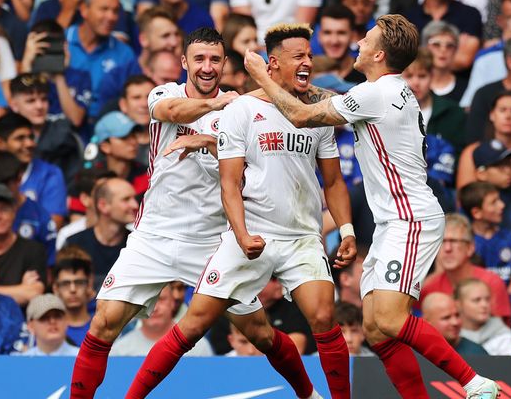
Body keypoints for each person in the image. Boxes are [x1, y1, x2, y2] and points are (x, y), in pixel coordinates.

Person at [244, 14, 500, 397]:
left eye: (365, 40)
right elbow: (327, 101)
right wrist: (290, 83)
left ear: (379, 54)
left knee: (393, 319)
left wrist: (260, 75)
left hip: (410, 218)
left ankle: (475, 383)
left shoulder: (375, 94)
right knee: (376, 327)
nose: (357, 44)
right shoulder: (385, 91)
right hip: (392, 222)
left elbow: (300, 116)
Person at [70, 28, 323, 399]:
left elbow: (251, 167)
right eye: (199, 59)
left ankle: (309, 395)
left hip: (212, 243)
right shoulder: (167, 94)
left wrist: (211, 136)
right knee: (103, 323)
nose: (207, 67)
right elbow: (172, 112)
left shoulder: (243, 114)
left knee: (260, 334)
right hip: (153, 236)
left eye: (215, 60)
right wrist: (225, 104)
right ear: (185, 62)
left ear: (223, 64)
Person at [128, 23, 356, 399]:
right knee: (194, 325)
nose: (307, 63)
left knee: (323, 317)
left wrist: (346, 230)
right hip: (251, 233)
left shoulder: (316, 115)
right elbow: (230, 183)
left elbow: (333, 182)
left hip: (301, 237)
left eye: (310, 57)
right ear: (274, 63)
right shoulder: (242, 110)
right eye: (299, 57)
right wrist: (242, 233)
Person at [0, 113, 67, 228]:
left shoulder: (50, 174)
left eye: (31, 137)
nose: (29, 144)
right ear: (0, 144)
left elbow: (52, 225)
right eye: (20, 138)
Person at [420, 213, 511, 320]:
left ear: (470, 248)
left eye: (454, 241)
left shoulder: (492, 282)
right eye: (442, 242)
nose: (447, 248)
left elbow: (502, 332)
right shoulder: (428, 288)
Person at [65, 0, 135, 118]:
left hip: (108, 128)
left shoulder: (124, 54)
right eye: (104, 9)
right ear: (84, 9)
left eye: (115, 11)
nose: (111, 17)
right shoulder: (62, 41)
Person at [0, 183, 47, 306]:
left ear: (14, 212)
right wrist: (20, 289)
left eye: (4, 209)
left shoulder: (33, 250)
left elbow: (33, 293)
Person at [8, 73, 83, 183]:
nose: (39, 106)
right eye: (31, 101)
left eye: (44, 99)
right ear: (14, 105)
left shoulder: (62, 135)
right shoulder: (6, 133)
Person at [64, 177, 137, 288]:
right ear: (103, 205)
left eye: (134, 198)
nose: (135, 205)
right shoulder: (75, 244)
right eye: (126, 199)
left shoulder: (138, 245)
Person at [407, 0, 482, 71]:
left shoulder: (470, 14)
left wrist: (421, 58)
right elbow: (404, 60)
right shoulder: (408, 19)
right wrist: (452, 53)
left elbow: (464, 59)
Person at [20, 20, 92, 128]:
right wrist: (26, 63)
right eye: (43, 46)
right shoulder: (28, 77)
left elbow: (76, 120)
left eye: (54, 44)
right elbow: (19, 110)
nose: (49, 50)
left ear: (65, 45)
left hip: (70, 140)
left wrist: (59, 74)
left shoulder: (81, 77)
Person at [111, 282, 213, 357]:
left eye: (161, 299)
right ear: (137, 308)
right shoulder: (119, 351)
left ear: (173, 302)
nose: (154, 308)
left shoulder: (199, 348)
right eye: (148, 302)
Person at [459, 181, 511, 294]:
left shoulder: (510, 238)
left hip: (508, 300)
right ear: (476, 213)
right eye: (494, 202)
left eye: (499, 199)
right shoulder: (465, 242)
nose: (502, 205)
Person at [402, 48, 466, 152]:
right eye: (409, 76)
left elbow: (459, 154)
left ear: (431, 76)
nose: (416, 82)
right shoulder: (387, 111)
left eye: (422, 76)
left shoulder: (453, 112)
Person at [86, 112, 148, 197]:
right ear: (105, 147)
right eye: (124, 137)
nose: (134, 142)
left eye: (134, 135)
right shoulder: (90, 180)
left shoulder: (148, 176)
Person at [456, 279, 511, 355]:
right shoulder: (451, 336)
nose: (484, 305)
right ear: (458, 304)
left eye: (487, 299)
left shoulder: (502, 334)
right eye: (477, 300)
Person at [422, 292, 489, 356]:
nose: (455, 322)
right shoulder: (415, 352)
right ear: (426, 322)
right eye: (446, 317)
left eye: (457, 315)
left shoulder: (476, 353)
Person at [421, 21, 468, 105]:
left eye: (450, 45)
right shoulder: (413, 85)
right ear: (425, 47)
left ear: (455, 50)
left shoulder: (466, 88)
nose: (443, 50)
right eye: (436, 44)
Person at [51, 257, 94, 346]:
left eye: (79, 282)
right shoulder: (46, 331)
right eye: (65, 284)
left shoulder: (103, 327)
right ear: (56, 288)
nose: (73, 289)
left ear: (89, 285)